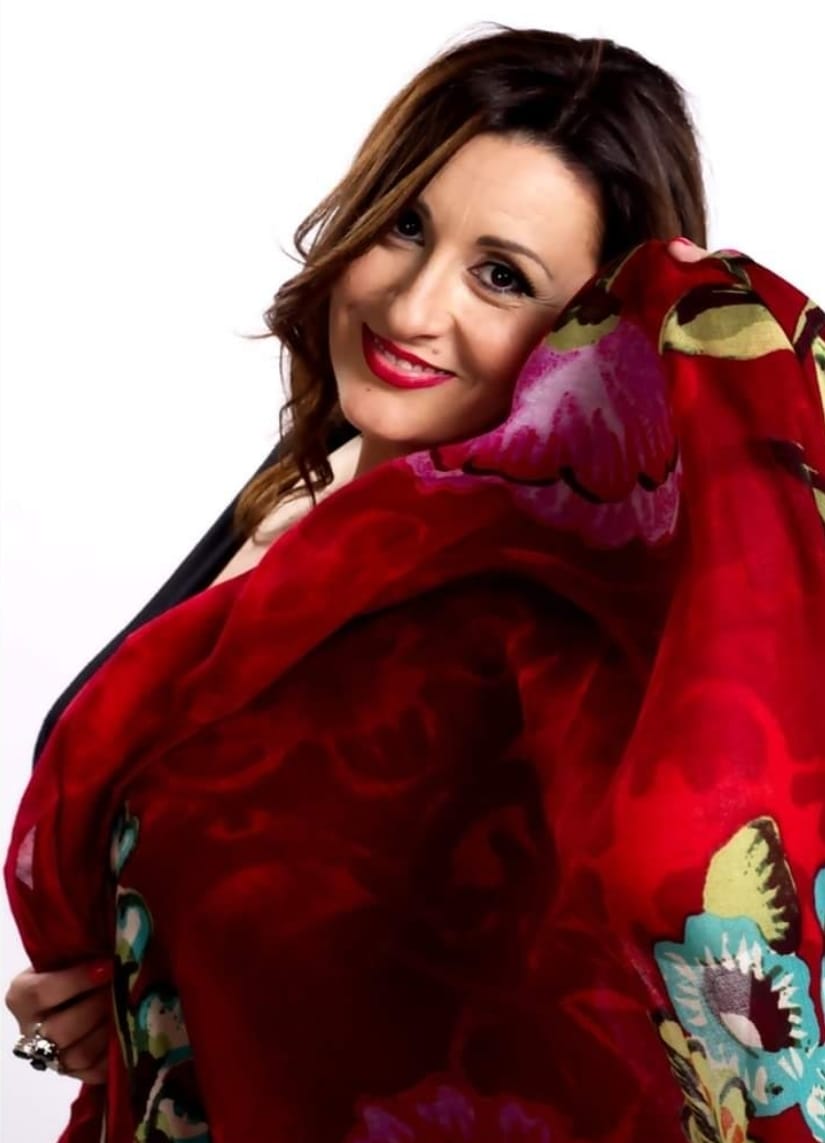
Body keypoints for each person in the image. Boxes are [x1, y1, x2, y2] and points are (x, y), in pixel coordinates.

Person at [6, 23, 825, 1143]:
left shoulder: (528, 648)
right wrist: (116, 986)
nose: (411, 306)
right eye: (406, 225)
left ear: (589, 337)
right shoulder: (308, 497)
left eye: (501, 276)